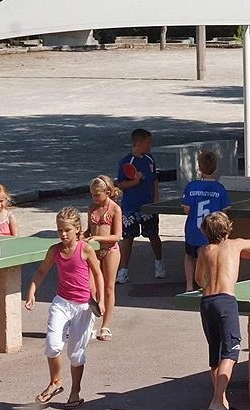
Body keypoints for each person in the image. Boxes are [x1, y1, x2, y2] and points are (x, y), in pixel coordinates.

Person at [26, 207, 104, 407]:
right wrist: (32, 291)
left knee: (76, 354)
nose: (62, 234)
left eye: (67, 230)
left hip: (83, 306)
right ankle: (55, 382)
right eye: (59, 230)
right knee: (52, 346)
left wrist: (100, 298)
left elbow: (98, 274)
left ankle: (75, 392)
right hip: (61, 302)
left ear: (77, 229)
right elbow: (41, 271)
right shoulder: (55, 251)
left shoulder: (85, 249)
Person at [195, 212, 250, 410]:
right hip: (225, 301)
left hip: (206, 302)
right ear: (228, 229)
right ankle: (217, 400)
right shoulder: (235, 244)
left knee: (215, 355)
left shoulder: (203, 250)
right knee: (230, 353)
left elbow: (199, 279)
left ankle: (221, 401)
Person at [116, 128, 164, 283]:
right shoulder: (126, 161)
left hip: (148, 206)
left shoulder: (150, 159)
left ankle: (159, 264)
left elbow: (155, 180)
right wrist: (135, 181)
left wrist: (156, 198)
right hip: (130, 207)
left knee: (153, 235)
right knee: (128, 238)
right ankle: (123, 271)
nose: (150, 145)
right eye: (148, 142)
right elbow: (121, 184)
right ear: (138, 143)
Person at [181, 151, 231, 293]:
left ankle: (189, 286)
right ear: (215, 167)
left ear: (199, 167)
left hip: (192, 230)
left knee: (189, 256)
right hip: (211, 232)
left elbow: (186, 209)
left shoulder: (191, 186)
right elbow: (224, 212)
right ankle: (209, 285)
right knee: (211, 258)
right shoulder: (220, 189)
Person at [84, 175, 122, 341]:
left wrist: (98, 239)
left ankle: (106, 326)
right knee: (90, 288)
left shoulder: (114, 209)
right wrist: (81, 235)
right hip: (94, 252)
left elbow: (117, 236)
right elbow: (89, 229)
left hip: (110, 251)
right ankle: (90, 322)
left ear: (107, 192)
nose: (95, 198)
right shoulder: (92, 208)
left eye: (98, 195)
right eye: (92, 194)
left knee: (108, 287)